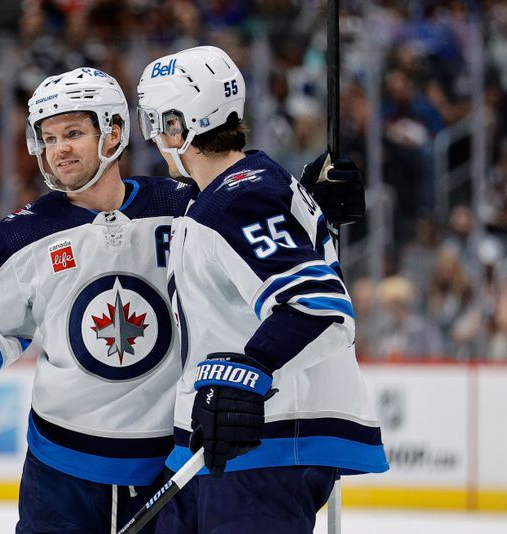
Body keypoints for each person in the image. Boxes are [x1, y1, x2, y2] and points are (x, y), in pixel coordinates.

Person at [0, 67, 191, 533]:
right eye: (49, 138)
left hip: (171, 468)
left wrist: (310, 207)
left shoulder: (183, 208)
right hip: (61, 477)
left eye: (73, 132)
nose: (60, 149)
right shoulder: (26, 233)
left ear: (113, 130)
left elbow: (259, 234)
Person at [136, 45, 388, 533]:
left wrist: (248, 375)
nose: (154, 138)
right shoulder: (247, 185)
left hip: (262, 445)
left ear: (177, 125)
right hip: (227, 446)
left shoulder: (236, 200)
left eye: (155, 122)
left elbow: (320, 307)